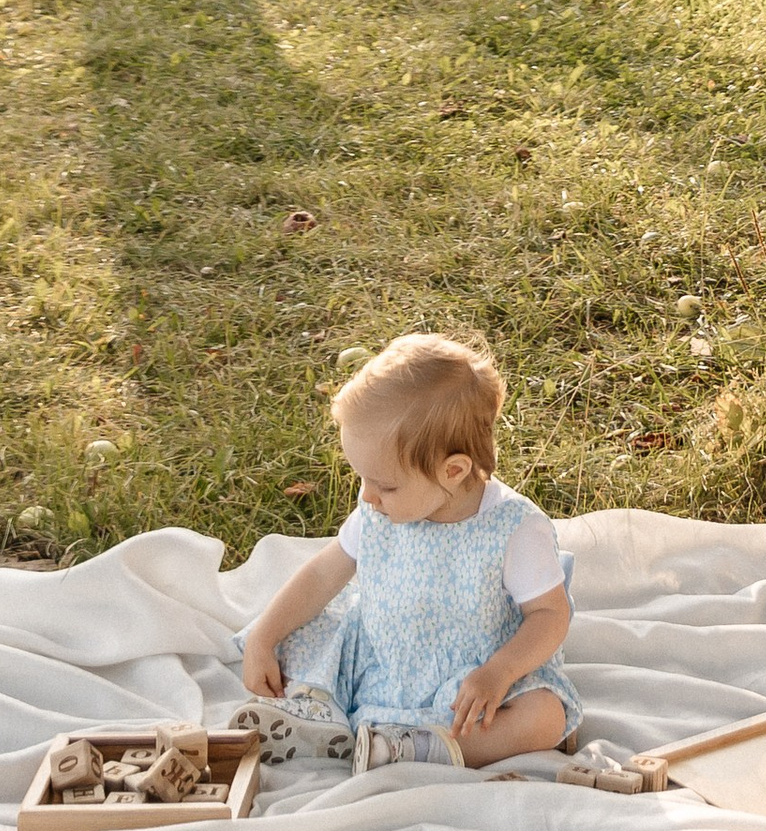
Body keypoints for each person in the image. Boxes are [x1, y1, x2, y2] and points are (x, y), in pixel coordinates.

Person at [240, 329, 579, 770]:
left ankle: (421, 749)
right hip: (384, 662)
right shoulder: (377, 511)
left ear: (453, 471)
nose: (367, 497)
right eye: (363, 479)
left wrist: (499, 673)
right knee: (312, 634)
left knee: (545, 717)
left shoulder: (514, 528)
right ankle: (314, 712)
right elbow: (322, 576)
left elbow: (550, 616)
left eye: (385, 485)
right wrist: (263, 638)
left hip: (473, 681)